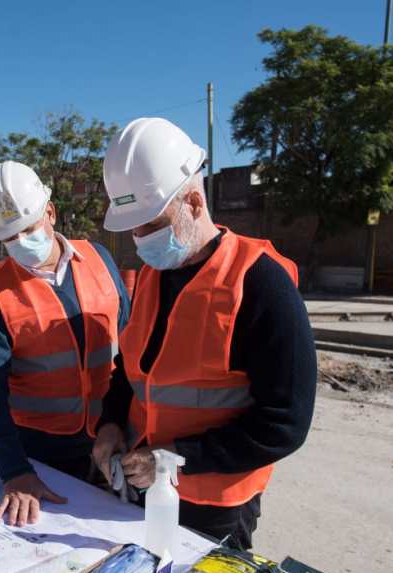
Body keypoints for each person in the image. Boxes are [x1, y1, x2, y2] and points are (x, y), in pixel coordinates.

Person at [91, 118, 317, 550]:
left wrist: (178, 459)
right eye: (133, 227)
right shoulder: (155, 277)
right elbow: (132, 371)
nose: (139, 239)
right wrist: (110, 423)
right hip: (144, 488)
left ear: (194, 202)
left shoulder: (260, 282)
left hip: (214, 510)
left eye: (150, 224)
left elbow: (285, 423)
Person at [0, 161, 130, 527]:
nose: (22, 243)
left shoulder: (100, 260)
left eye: (28, 228)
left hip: (111, 434)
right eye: (10, 237)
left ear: (51, 213)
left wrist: (128, 423)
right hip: (41, 452)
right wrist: (15, 471)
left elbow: (133, 346)